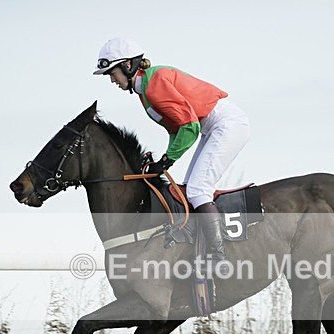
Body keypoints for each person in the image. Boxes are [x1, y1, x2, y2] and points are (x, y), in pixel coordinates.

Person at [93, 37, 250, 277]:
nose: (112, 80)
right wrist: (162, 161)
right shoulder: (145, 90)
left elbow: (189, 127)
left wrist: (166, 161)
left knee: (198, 190)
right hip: (211, 126)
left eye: (112, 73)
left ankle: (219, 258)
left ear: (127, 65)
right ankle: (202, 247)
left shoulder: (153, 86)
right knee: (189, 189)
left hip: (225, 124)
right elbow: (176, 130)